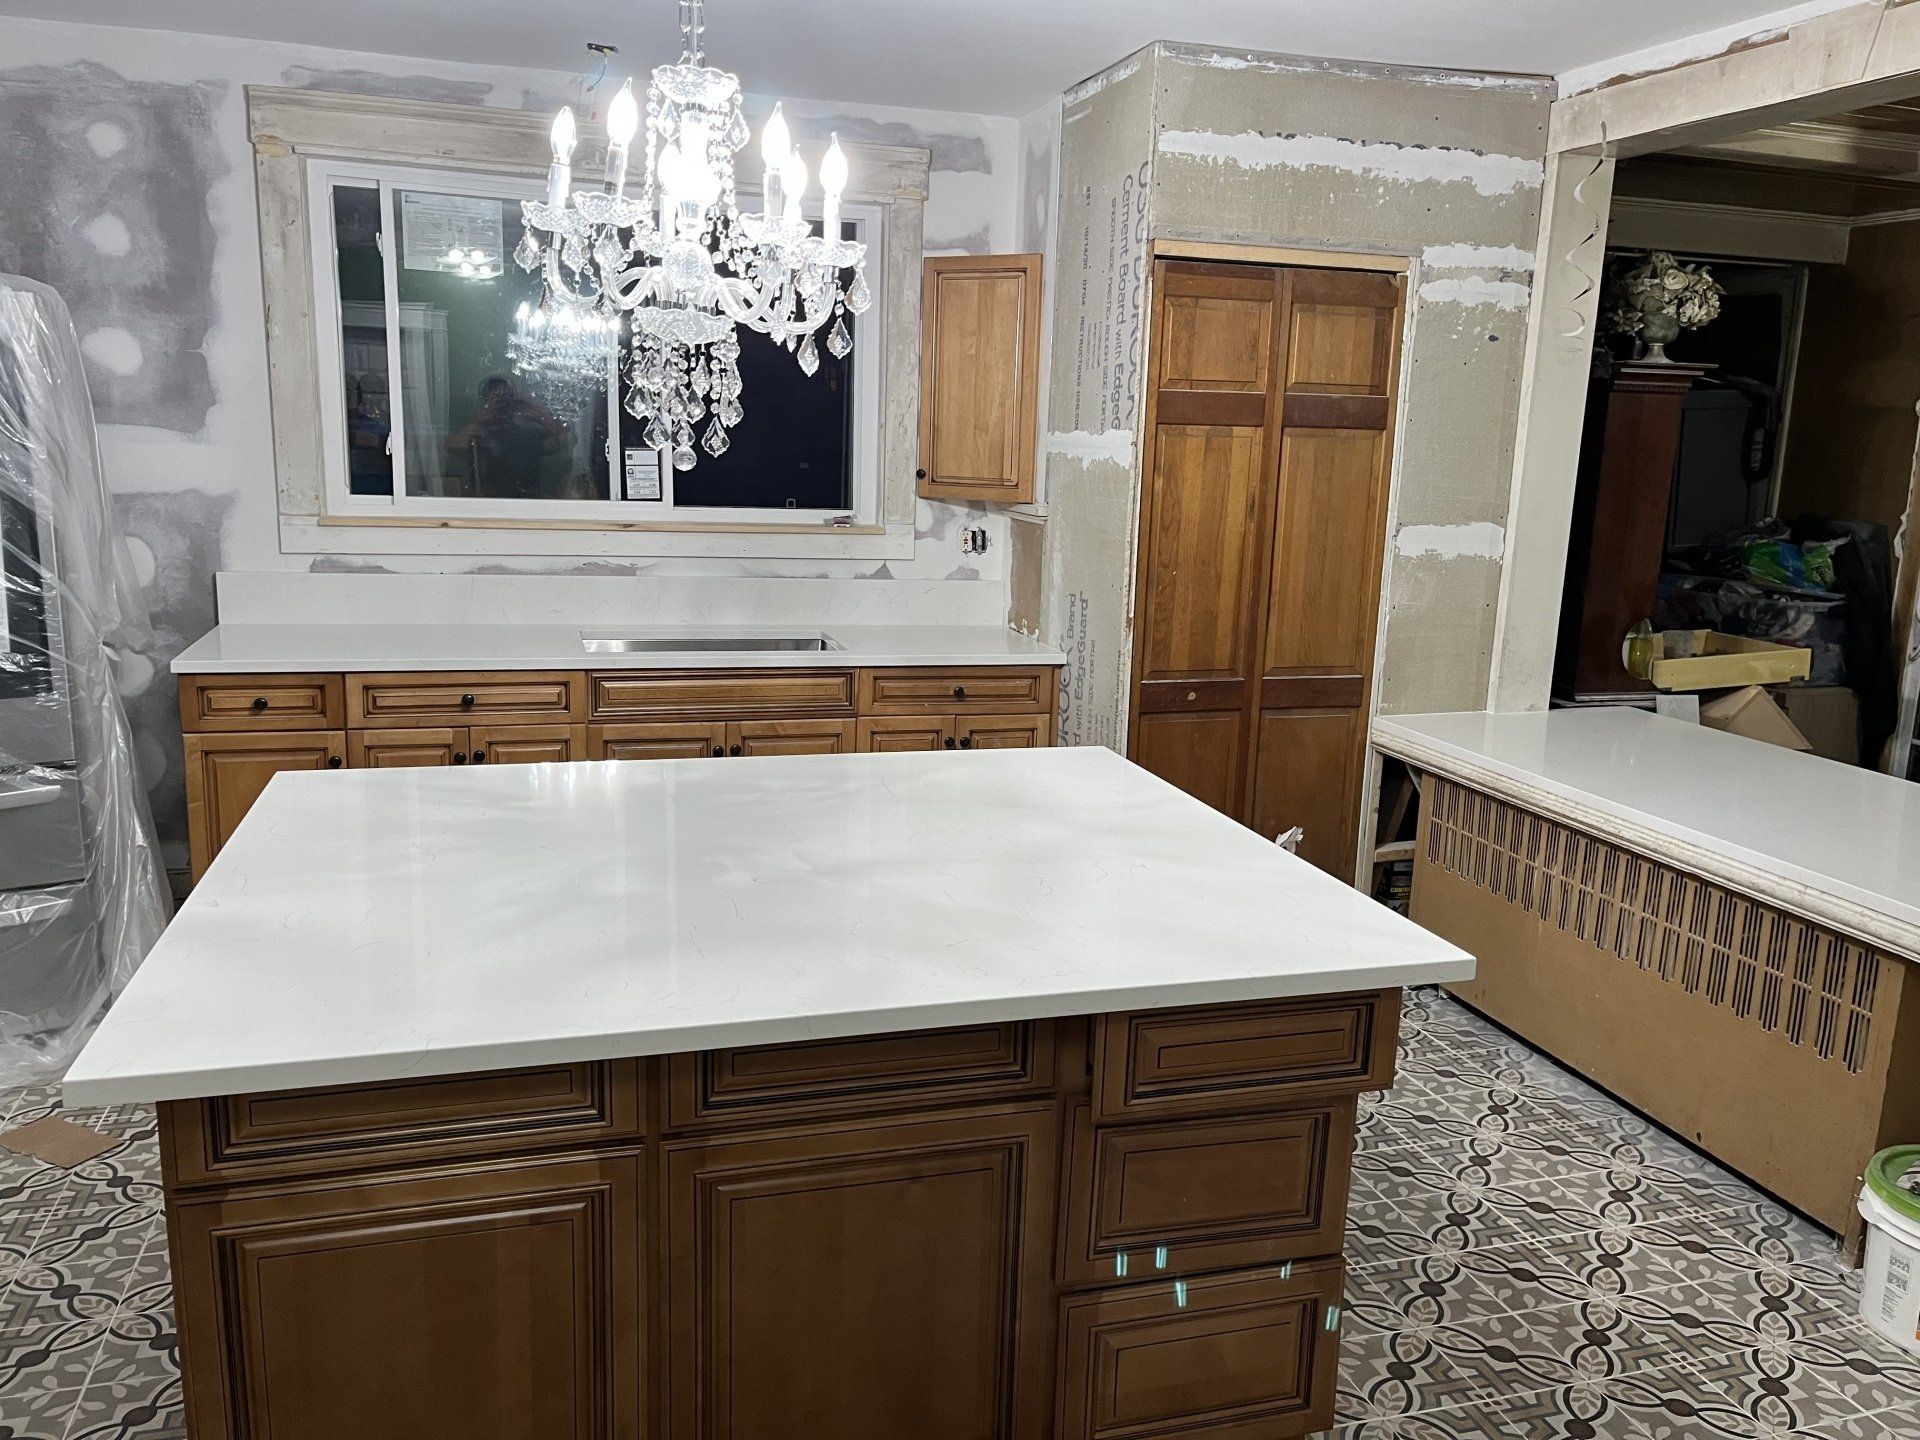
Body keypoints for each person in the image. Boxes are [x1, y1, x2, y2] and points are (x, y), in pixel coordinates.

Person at [445, 375, 568, 498]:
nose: (503, 403)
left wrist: (538, 414)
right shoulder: (482, 425)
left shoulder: (529, 424)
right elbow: (452, 447)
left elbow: (561, 441)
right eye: (495, 398)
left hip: (530, 495)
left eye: (507, 396)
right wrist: (479, 421)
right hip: (488, 496)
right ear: (486, 400)